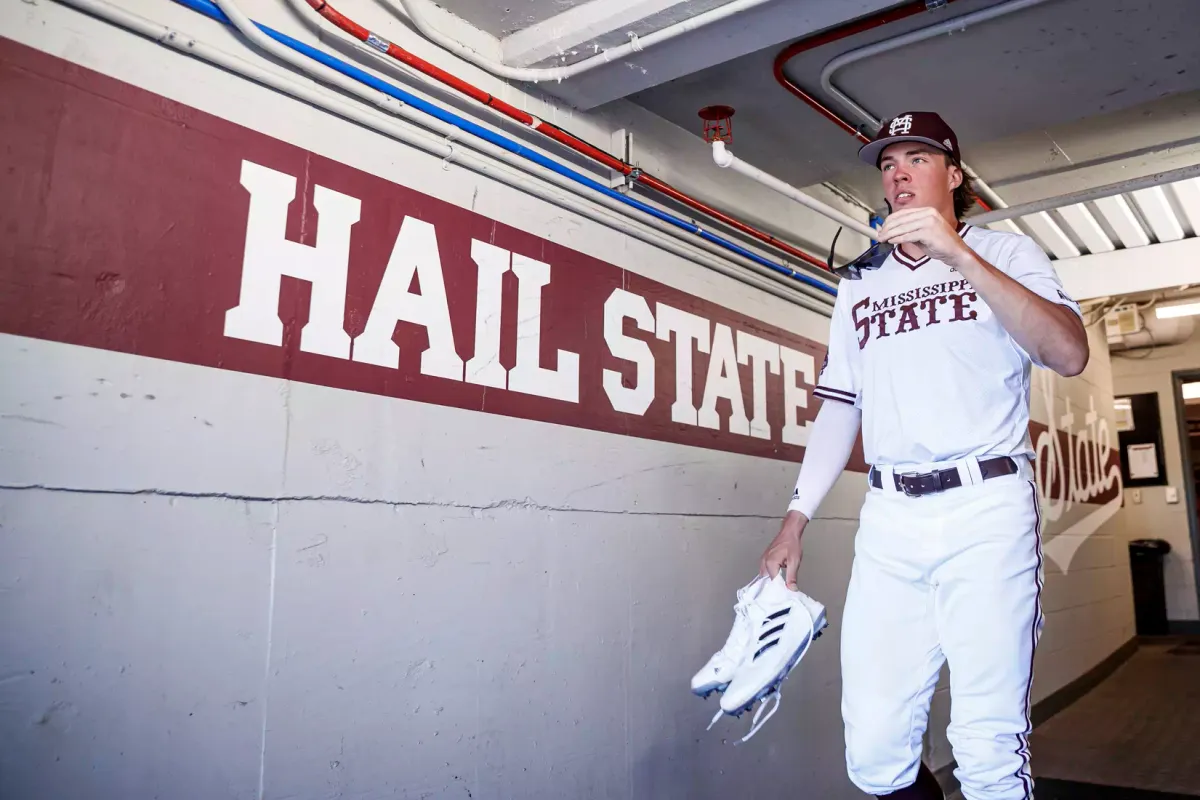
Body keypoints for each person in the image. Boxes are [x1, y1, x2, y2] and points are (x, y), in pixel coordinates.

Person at [759, 112, 1089, 799]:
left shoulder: (1006, 253)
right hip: (890, 517)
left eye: (917, 157)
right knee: (874, 749)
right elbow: (840, 405)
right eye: (887, 163)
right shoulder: (859, 282)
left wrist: (959, 255)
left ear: (955, 175)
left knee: (988, 746)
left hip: (986, 507)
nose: (898, 172)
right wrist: (796, 517)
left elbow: (1067, 352)